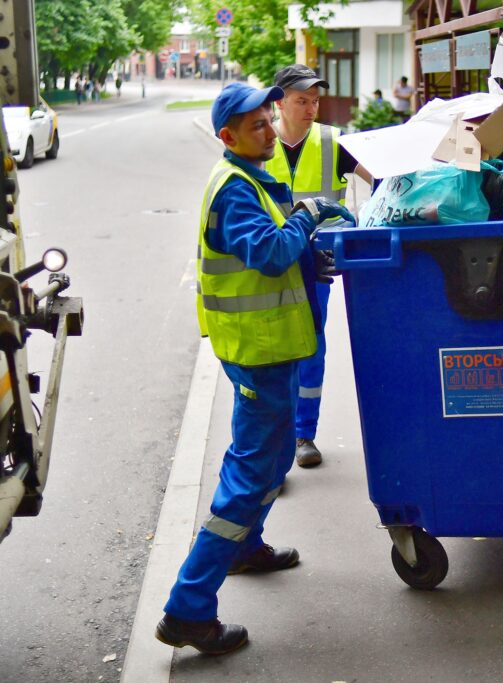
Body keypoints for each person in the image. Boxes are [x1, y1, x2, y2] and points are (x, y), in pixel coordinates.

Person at [155, 82, 354, 655]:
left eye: (269, 119)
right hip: (259, 349)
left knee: (270, 457)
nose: (270, 130)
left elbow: (274, 249)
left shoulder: (253, 178)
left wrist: (308, 251)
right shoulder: (235, 189)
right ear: (228, 136)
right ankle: (188, 609)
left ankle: (245, 548)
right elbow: (268, 253)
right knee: (251, 472)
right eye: (257, 125)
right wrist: (307, 217)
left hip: (270, 345)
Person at [267, 64, 373, 469]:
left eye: (314, 101)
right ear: (279, 103)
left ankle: (302, 434)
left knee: (311, 346)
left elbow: (379, 178)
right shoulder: (259, 141)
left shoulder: (333, 142)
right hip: (270, 262)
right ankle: (274, 441)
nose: (311, 109)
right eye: (301, 101)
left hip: (316, 264)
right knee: (272, 353)